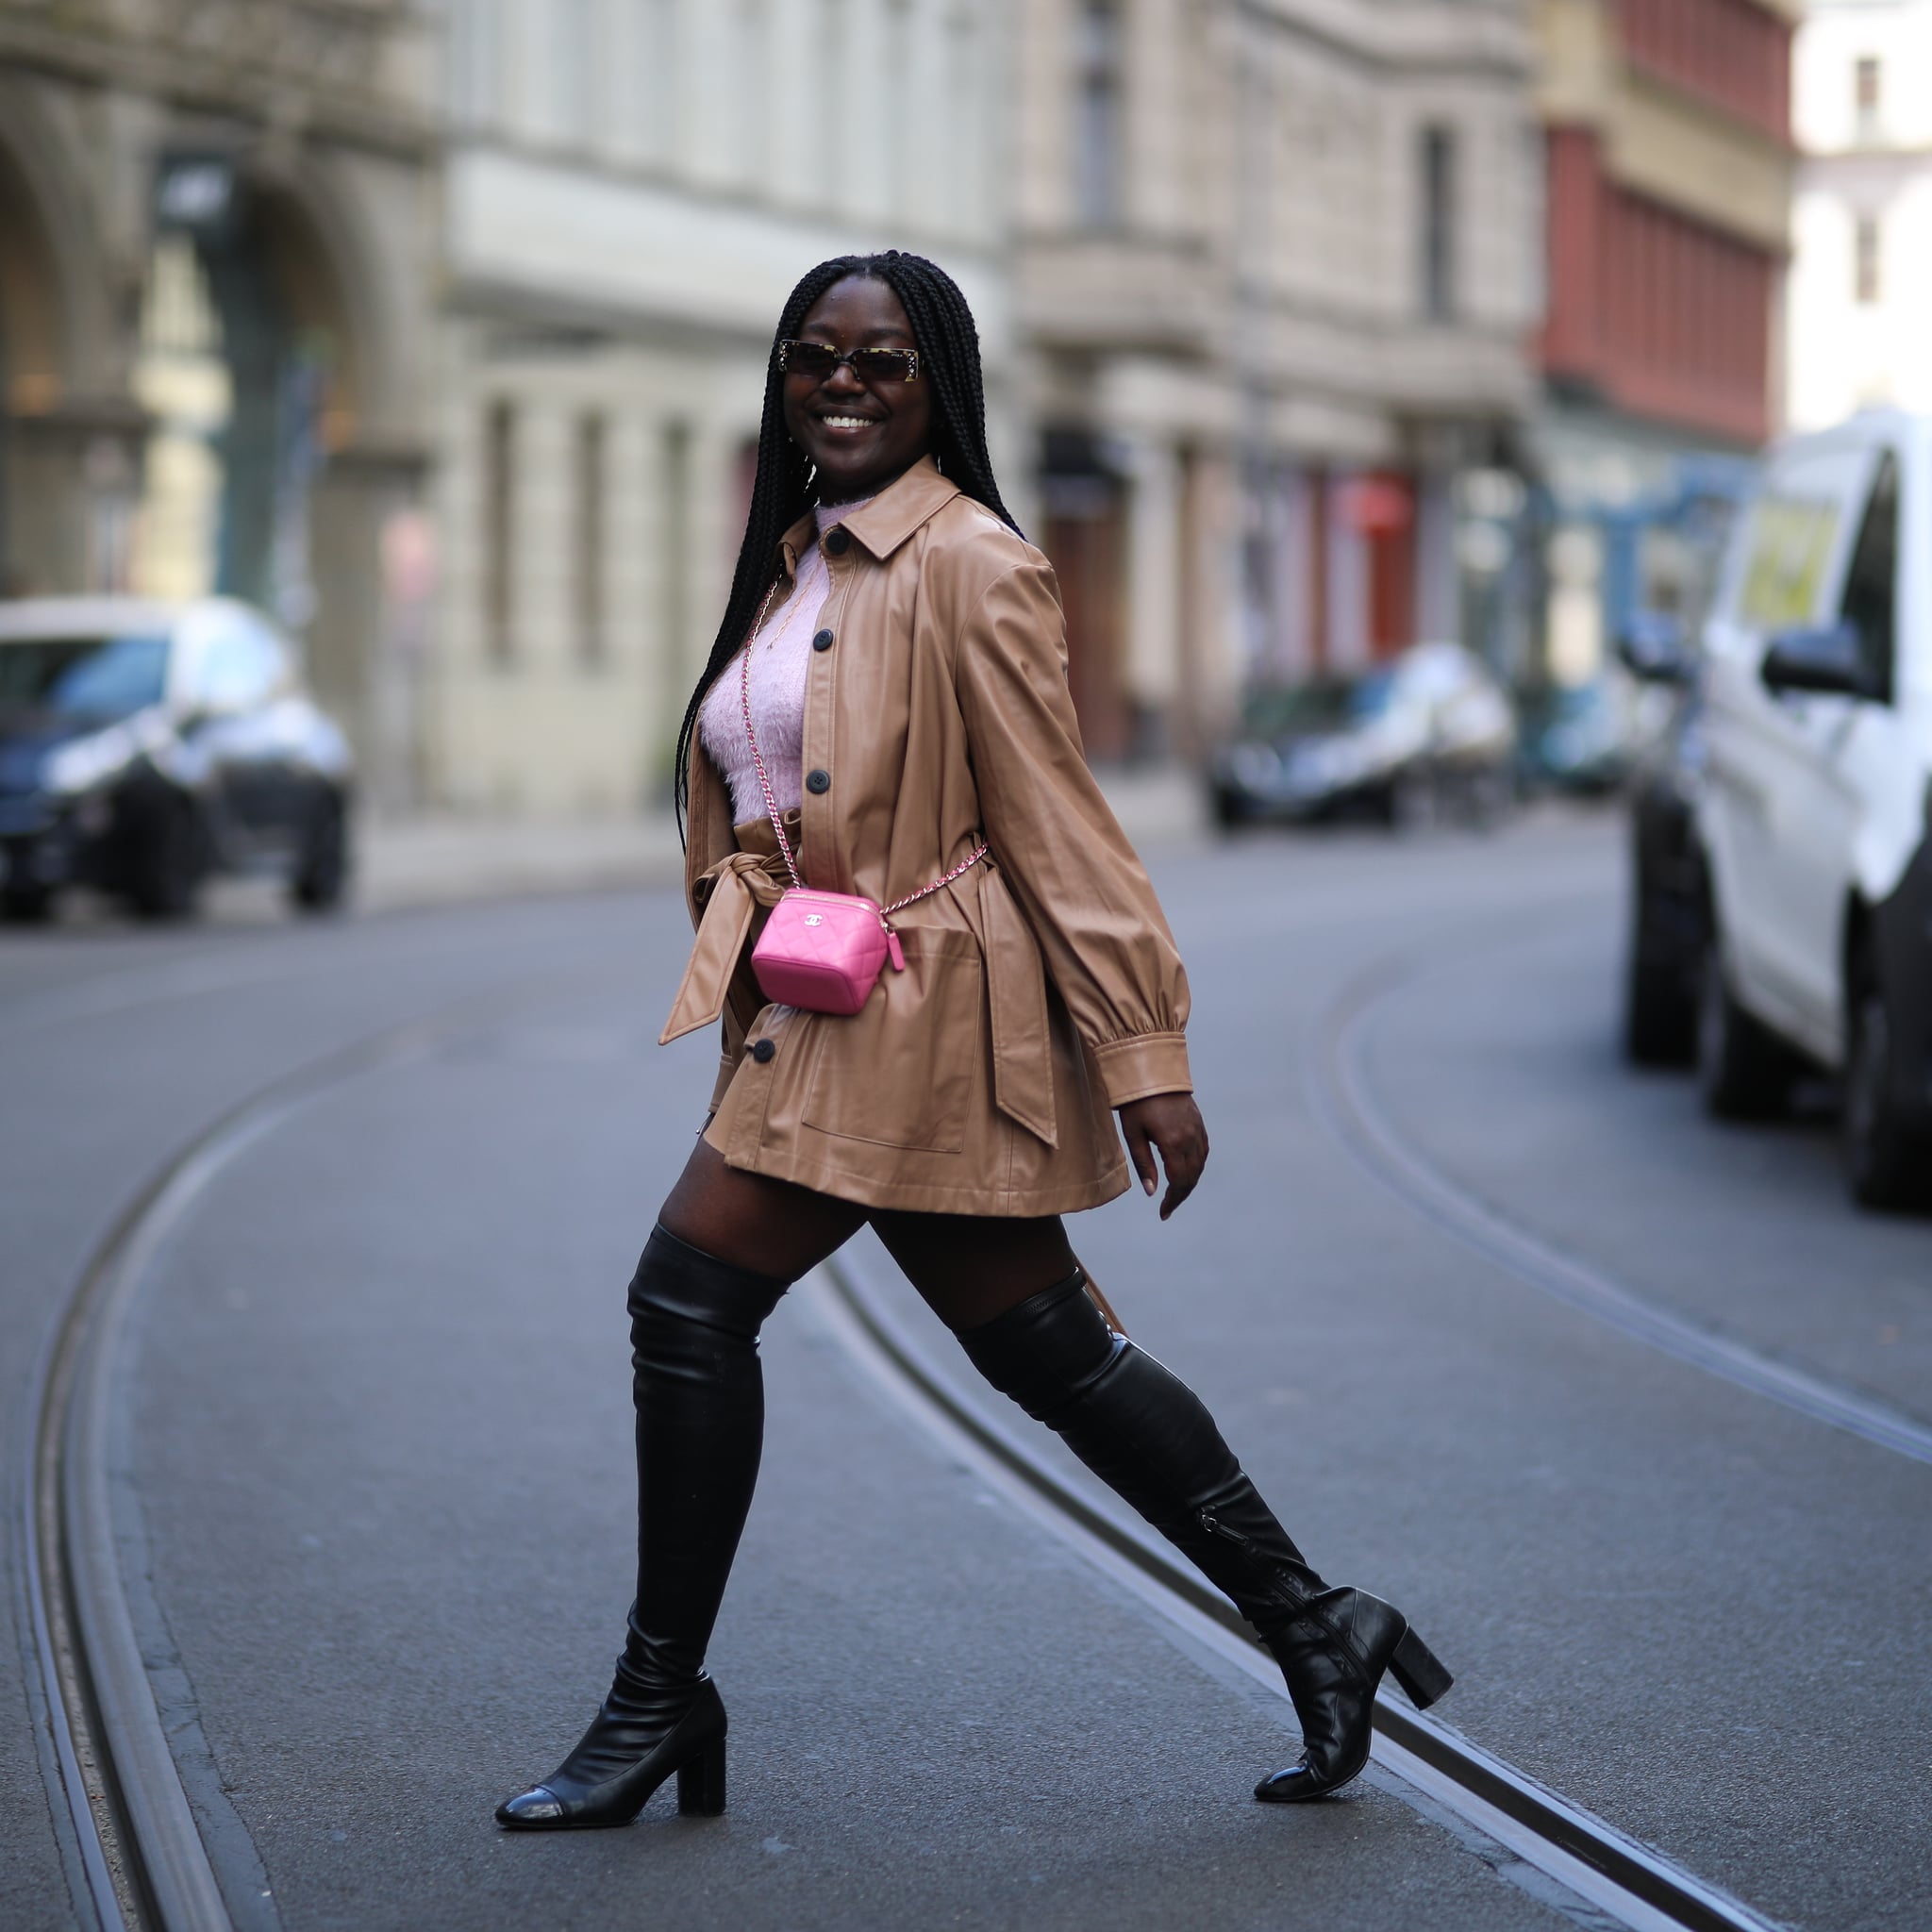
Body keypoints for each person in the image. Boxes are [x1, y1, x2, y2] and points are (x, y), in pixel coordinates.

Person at [495, 251, 1450, 1832]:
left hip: (932, 1018)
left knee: (696, 1297)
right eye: (817, 358)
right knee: (1043, 1352)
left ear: (942, 384)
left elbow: (1057, 820)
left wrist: (1147, 1050)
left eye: (883, 362)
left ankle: (659, 1704)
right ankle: (1318, 1622)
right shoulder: (802, 558)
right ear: (784, 379)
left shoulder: (972, 563)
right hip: (828, 1009)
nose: (846, 384)